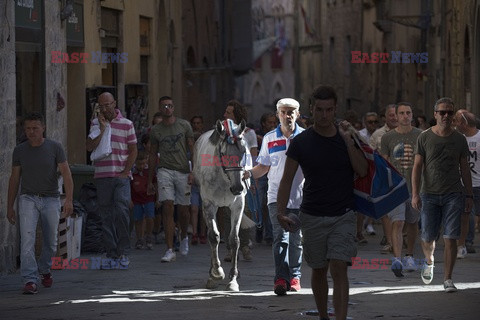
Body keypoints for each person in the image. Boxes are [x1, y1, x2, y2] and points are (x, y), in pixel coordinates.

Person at [277, 85, 368, 320]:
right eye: (320, 110)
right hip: (312, 214)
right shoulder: (301, 142)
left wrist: (348, 142)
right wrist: (280, 212)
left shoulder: (347, 138)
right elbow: (287, 180)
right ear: (311, 110)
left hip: (344, 213)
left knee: (339, 266)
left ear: (335, 109)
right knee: (318, 269)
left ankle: (340, 317)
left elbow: (362, 169)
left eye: (329, 110)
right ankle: (323, 316)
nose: (324, 115)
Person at [7, 112, 74, 294]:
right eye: (27, 128)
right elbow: (14, 178)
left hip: (51, 198)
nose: (31, 132)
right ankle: (30, 279)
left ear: (43, 128)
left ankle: (44, 269)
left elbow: (66, 174)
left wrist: (68, 199)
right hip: (28, 198)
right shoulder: (19, 150)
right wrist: (9, 206)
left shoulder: (54, 148)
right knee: (27, 239)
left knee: (51, 241)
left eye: (35, 128)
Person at [411, 97, 472, 293]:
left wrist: (469, 195)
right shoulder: (425, 137)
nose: (446, 116)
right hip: (429, 194)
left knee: (451, 237)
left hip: (453, 194)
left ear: (453, 116)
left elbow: (465, 169)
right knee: (428, 237)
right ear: (435, 114)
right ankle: (429, 262)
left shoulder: (460, 139)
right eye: (442, 112)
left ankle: (447, 278)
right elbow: (417, 166)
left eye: (449, 113)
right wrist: (415, 194)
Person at [245, 98, 304, 296]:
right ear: (278, 114)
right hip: (275, 199)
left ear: (298, 113)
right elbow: (263, 167)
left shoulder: (305, 138)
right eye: (284, 112)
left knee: (296, 239)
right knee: (280, 237)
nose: (288, 115)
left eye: (291, 112)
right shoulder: (270, 138)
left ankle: (295, 277)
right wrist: (247, 174)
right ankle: (280, 278)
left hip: (300, 198)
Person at [86, 92, 138, 268]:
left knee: (122, 211)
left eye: (108, 104)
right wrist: (101, 129)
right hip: (102, 176)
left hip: (121, 176)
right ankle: (111, 253)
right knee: (106, 215)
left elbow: (133, 150)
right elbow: (89, 147)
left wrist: (126, 171)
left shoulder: (127, 124)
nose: (105, 108)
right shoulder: (95, 123)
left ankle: (124, 251)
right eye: (102, 105)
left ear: (114, 103)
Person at [147, 96, 194, 262]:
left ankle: (183, 236)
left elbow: (192, 148)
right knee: (167, 206)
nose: (167, 108)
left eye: (170, 106)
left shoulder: (184, 125)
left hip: (182, 170)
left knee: (183, 210)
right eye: (164, 106)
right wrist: (149, 180)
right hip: (164, 170)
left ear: (174, 108)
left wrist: (193, 171)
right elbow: (152, 154)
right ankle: (169, 249)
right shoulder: (156, 130)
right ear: (160, 108)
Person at [380, 102, 422, 277]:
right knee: (398, 222)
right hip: (397, 188)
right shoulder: (387, 138)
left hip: (415, 188)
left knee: (412, 223)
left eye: (408, 112)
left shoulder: (421, 136)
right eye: (402, 113)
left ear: (412, 115)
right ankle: (397, 259)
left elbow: (425, 163)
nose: (405, 116)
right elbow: (384, 162)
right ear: (396, 116)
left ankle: (410, 255)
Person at [222, 99, 257, 261]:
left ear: (236, 115)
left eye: (228, 112)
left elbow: (254, 155)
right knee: (227, 213)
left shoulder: (248, 133)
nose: (225, 115)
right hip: (226, 178)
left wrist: (251, 174)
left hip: (243, 178)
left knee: (245, 211)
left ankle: (245, 245)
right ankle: (230, 249)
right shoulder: (221, 132)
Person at [369, 104, 398, 254]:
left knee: (403, 212)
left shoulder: (407, 133)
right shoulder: (377, 135)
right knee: (386, 211)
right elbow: (369, 153)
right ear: (385, 117)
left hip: (402, 176)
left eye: (396, 114)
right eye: (390, 115)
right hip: (384, 175)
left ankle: (399, 237)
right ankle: (389, 241)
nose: (394, 118)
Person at [453, 110, 478, 257]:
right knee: (465, 215)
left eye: (456, 121)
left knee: (475, 217)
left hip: (479, 183)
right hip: (463, 184)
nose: (454, 124)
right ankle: (462, 245)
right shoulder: (458, 139)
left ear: (464, 123)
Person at [254, 112, 278, 245]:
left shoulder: (277, 134)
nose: (273, 125)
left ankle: (269, 234)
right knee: (258, 202)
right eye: (270, 122)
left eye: (275, 122)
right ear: (264, 123)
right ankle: (259, 226)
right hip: (260, 173)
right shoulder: (255, 133)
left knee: (270, 203)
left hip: (273, 172)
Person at [131, 151, 156, 250]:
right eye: (139, 164)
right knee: (138, 220)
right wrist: (130, 200)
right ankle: (139, 239)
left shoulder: (149, 172)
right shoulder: (132, 172)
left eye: (143, 163)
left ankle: (149, 236)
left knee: (150, 217)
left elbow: (155, 184)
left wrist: (157, 198)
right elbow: (129, 187)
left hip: (149, 198)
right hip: (136, 199)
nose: (141, 166)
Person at [189, 115, 206, 245]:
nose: (196, 125)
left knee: (203, 209)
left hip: (204, 182)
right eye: (194, 123)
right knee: (194, 209)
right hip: (193, 182)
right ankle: (194, 233)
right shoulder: (188, 146)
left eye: (198, 123)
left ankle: (203, 233)